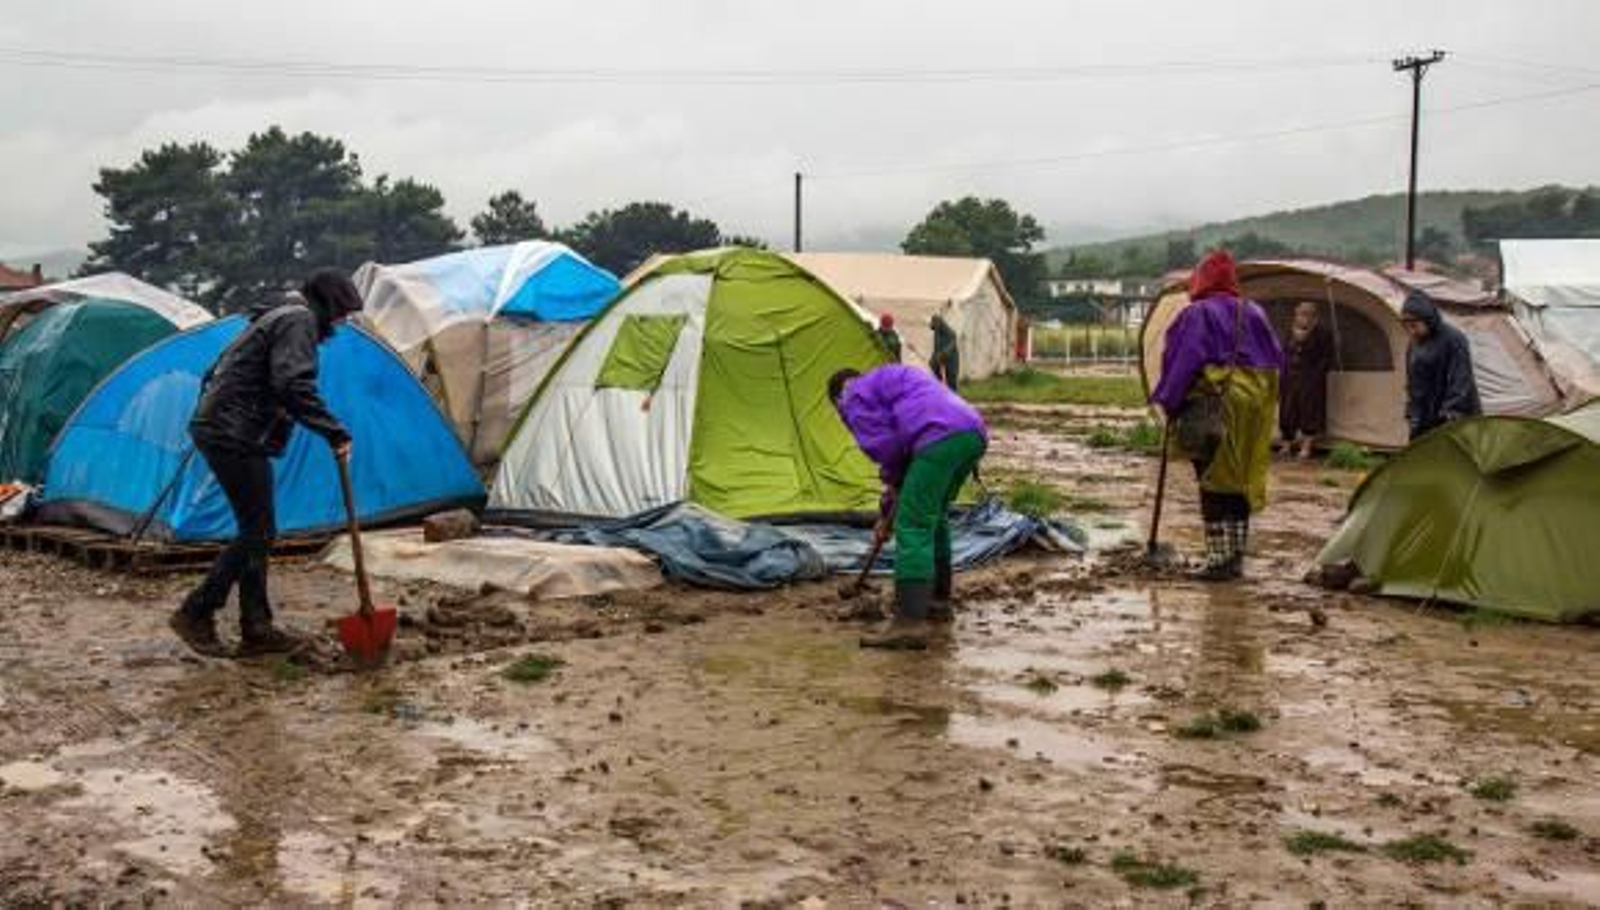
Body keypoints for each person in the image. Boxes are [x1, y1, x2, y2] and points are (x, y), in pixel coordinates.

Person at [169, 270, 363, 658]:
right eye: (342, 313)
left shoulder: (277, 315)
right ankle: (198, 611)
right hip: (233, 432)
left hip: (226, 428)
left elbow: (218, 372)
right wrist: (334, 432)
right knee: (258, 531)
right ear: (327, 304)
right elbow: (291, 383)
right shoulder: (299, 320)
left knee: (257, 530)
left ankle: (256, 628)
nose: (342, 324)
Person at [830, 364, 987, 650]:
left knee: (912, 524)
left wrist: (889, 511)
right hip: (971, 432)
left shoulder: (851, 398)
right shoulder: (885, 380)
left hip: (938, 437)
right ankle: (937, 602)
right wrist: (886, 507)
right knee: (933, 517)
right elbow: (903, 454)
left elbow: (890, 452)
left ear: (836, 399)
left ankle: (908, 624)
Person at [1150, 250, 1284, 581]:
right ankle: (1234, 557)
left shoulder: (1198, 313)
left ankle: (1218, 560)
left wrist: (1169, 400)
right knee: (1239, 479)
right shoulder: (1254, 312)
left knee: (1211, 478)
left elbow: (1183, 360)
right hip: (1255, 407)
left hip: (1214, 404)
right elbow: (1278, 360)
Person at [1401, 291, 1481, 441]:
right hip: (1425, 416)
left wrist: (1450, 413)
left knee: (1456, 459)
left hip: (1454, 416)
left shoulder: (1454, 339)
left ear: (1428, 319)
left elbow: (1461, 381)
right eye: (1407, 326)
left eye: (1414, 325)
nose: (1411, 331)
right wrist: (1412, 411)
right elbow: (1412, 381)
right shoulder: (1414, 344)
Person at [1278, 301, 1334, 460]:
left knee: (1309, 412)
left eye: (1306, 314)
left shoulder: (1323, 333)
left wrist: (1316, 376)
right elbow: (1284, 353)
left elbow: (1327, 358)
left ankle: (1306, 446)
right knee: (1288, 410)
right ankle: (1287, 444)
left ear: (1313, 316)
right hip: (1290, 378)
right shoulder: (1290, 332)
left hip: (1310, 380)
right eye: (1299, 314)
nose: (1302, 318)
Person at [929, 314, 960, 390]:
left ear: (940, 323)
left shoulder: (950, 332)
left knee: (951, 381)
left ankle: (953, 397)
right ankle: (939, 387)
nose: (934, 327)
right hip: (942, 358)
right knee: (934, 365)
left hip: (952, 360)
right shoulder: (937, 333)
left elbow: (951, 345)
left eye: (935, 324)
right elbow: (936, 348)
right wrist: (933, 358)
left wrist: (944, 353)